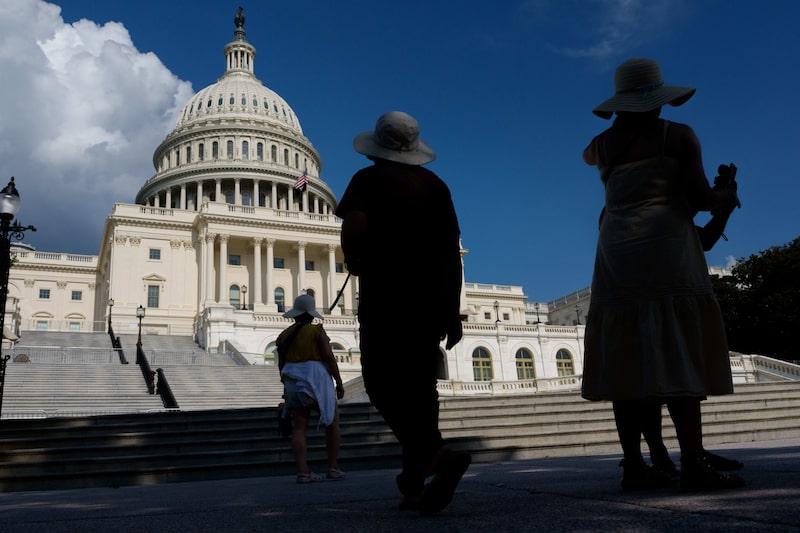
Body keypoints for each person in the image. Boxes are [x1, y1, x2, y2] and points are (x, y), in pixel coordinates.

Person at [580, 58, 744, 492]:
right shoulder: (677, 135)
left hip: (616, 249)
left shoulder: (602, 144)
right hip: (666, 246)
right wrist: (727, 192)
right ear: (657, 98)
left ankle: (634, 465)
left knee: (625, 357)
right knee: (678, 350)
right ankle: (693, 463)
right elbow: (703, 198)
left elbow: (599, 164)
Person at [335, 111, 470, 514]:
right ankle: (413, 485)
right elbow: (452, 251)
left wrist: (354, 258)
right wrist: (452, 311)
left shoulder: (368, 180)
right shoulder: (436, 186)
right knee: (420, 391)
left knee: (380, 382)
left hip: (389, 294)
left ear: (377, 146)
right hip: (431, 298)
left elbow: (354, 227)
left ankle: (437, 453)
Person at [277, 294, 345, 483]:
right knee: (332, 422)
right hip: (317, 379)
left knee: (299, 426)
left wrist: (286, 384)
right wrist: (338, 382)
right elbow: (329, 357)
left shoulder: (284, 336)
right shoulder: (316, 331)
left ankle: (303, 472)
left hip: (294, 380)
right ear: (311, 314)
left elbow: (281, 364)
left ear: (295, 314)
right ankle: (332, 467)